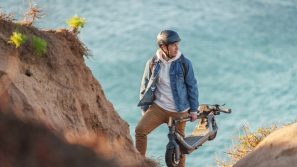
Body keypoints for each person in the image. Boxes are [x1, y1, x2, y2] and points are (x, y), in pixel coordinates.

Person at [135, 30, 199, 167]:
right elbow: (145, 85)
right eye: (173, 45)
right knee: (140, 130)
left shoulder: (184, 63)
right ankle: (139, 163)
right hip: (158, 108)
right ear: (163, 47)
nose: (177, 48)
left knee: (180, 146)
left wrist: (193, 110)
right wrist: (144, 109)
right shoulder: (153, 62)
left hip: (179, 110)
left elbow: (192, 86)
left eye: (178, 44)